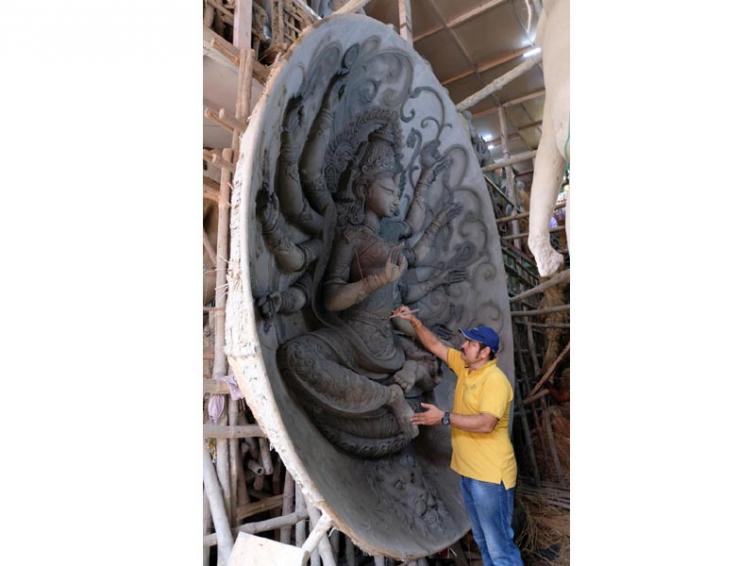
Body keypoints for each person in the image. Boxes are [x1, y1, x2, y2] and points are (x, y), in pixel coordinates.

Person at [391, 305, 524, 566]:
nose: (463, 346)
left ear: (485, 352)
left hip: (490, 476)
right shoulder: (466, 368)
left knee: (499, 547)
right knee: (482, 539)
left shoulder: (495, 381)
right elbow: (436, 346)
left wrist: (444, 417)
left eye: (471, 344)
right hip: (469, 471)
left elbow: (486, 423)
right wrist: (414, 321)